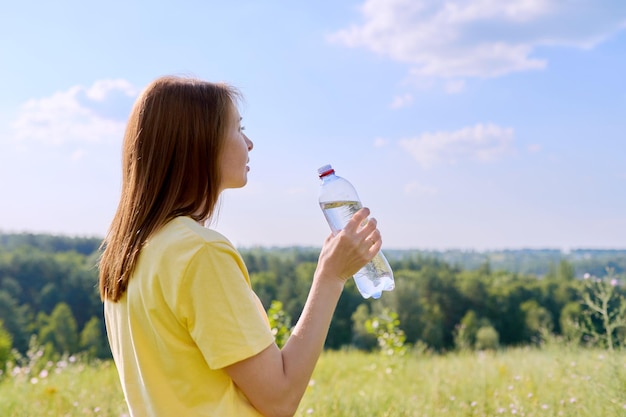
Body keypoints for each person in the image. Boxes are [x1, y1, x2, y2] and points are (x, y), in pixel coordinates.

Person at [99, 75, 383, 417]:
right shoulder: (200, 253)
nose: (249, 143)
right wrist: (331, 277)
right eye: (237, 128)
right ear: (200, 144)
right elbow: (279, 398)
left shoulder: (133, 250)